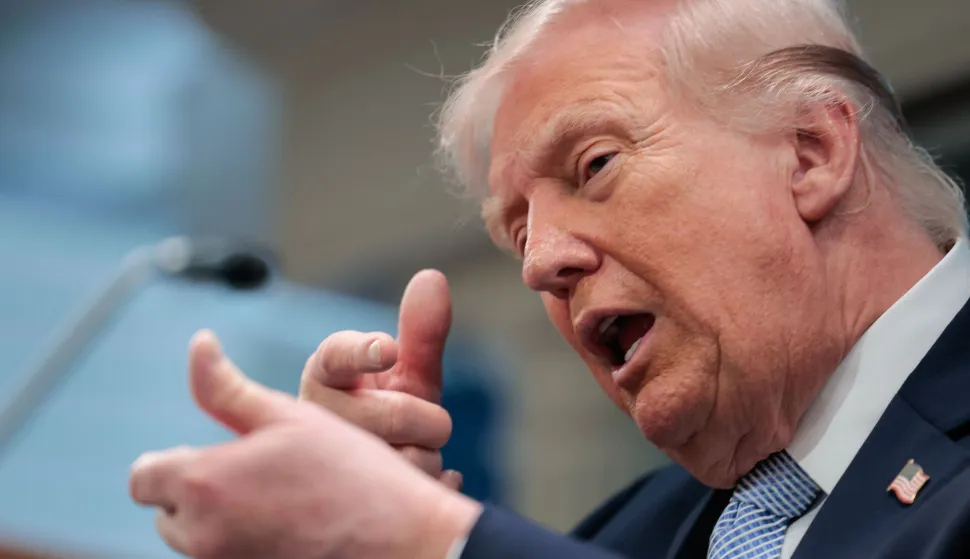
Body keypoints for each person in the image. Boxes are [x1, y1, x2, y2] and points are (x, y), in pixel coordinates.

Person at [128, 0, 970, 557]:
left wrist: (433, 538)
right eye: (519, 230)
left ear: (811, 153)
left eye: (595, 163)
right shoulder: (626, 535)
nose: (541, 263)